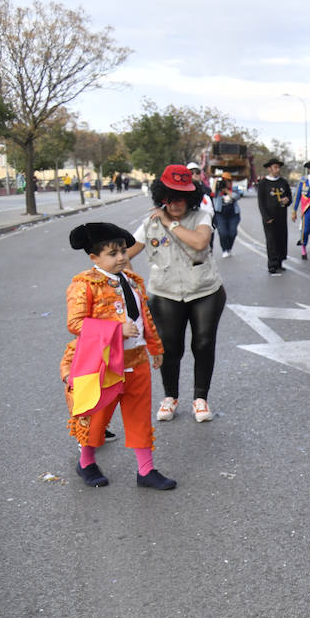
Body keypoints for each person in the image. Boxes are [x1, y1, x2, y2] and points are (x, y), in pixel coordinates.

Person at [61, 222, 176, 490]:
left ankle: (146, 470)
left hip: (136, 359)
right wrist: (115, 330)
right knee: (97, 415)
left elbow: (145, 317)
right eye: (112, 254)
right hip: (102, 363)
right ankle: (87, 462)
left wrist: (155, 347)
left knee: (139, 415)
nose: (122, 257)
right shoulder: (84, 285)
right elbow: (75, 323)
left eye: (123, 251)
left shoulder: (133, 281)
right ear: (94, 258)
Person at [128, 164, 227, 424]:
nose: (175, 203)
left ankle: (200, 398)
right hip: (165, 293)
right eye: (169, 198)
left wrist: (170, 223)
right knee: (170, 347)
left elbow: (199, 242)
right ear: (162, 197)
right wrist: (131, 284)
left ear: (191, 197)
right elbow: (125, 254)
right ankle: (170, 397)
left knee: (203, 343)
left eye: (181, 197)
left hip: (204, 290)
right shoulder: (149, 224)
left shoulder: (201, 216)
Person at [256, 158, 292, 274]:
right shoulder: (263, 183)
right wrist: (266, 217)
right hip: (270, 217)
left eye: (278, 167)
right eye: (275, 167)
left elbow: (289, 196)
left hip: (281, 216)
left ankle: (280, 262)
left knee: (281, 239)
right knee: (272, 241)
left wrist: (287, 200)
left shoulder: (283, 182)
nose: (277, 170)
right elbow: (261, 202)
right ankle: (272, 264)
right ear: (269, 168)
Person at [211, 177, 244, 258]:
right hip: (220, 214)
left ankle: (229, 248)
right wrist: (215, 185)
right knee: (223, 233)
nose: (226, 183)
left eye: (228, 181)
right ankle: (224, 249)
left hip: (233, 214)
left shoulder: (234, 188)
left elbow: (237, 196)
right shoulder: (217, 190)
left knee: (233, 233)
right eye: (225, 181)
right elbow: (212, 195)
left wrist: (227, 190)